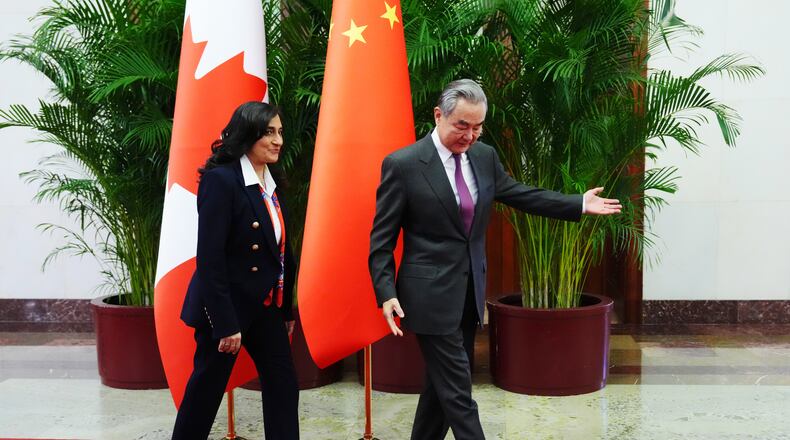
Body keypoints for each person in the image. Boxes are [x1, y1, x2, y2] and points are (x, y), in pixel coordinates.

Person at [368, 79, 621, 440]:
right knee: (458, 391)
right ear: (439, 115)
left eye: (478, 127)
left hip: (469, 293)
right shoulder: (404, 164)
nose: (470, 136)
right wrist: (385, 291)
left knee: (441, 389)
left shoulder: (483, 157)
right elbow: (381, 239)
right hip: (427, 296)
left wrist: (577, 203)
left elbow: (520, 194)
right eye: (462, 126)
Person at [172, 101, 299, 440]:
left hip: (266, 307)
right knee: (205, 392)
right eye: (269, 133)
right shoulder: (221, 181)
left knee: (284, 386)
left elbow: (281, 252)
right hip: (226, 309)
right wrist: (225, 323)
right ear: (248, 135)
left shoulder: (271, 181)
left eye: (280, 132)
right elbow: (210, 260)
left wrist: (285, 308)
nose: (278, 141)